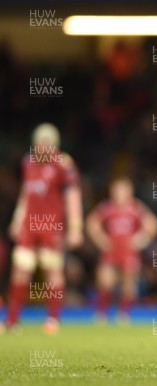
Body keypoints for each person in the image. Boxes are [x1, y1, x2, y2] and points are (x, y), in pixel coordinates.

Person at [1, 123, 83, 335]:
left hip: (52, 227)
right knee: (20, 268)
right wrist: (18, 220)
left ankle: (53, 319)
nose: (43, 147)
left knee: (52, 270)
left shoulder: (64, 164)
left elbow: (72, 196)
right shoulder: (27, 163)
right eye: (40, 143)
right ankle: (12, 321)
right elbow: (25, 194)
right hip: (29, 226)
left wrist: (75, 227)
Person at [86, 177, 157, 322]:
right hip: (111, 250)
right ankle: (101, 313)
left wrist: (141, 239)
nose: (119, 194)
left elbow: (153, 224)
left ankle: (124, 314)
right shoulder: (107, 207)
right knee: (105, 281)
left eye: (122, 190)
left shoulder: (136, 208)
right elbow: (92, 222)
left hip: (128, 251)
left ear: (129, 192)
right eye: (117, 190)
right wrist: (100, 239)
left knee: (128, 283)